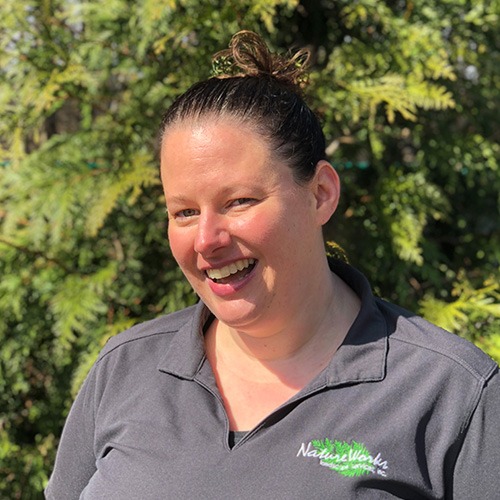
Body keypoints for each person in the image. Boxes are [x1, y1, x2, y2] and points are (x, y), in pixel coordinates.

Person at [46, 31, 499, 499]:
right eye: (184, 212)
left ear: (320, 194)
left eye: (239, 201)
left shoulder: (453, 394)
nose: (206, 240)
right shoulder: (125, 368)